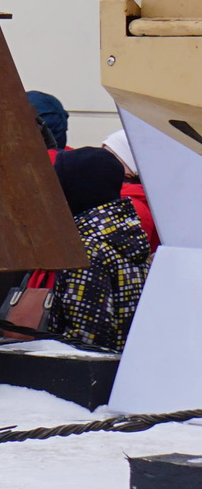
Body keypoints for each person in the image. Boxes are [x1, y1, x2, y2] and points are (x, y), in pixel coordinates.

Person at [30, 147, 153, 354]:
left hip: (85, 378)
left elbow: (84, 342)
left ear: (74, 193)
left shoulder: (88, 251)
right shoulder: (124, 236)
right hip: (119, 368)